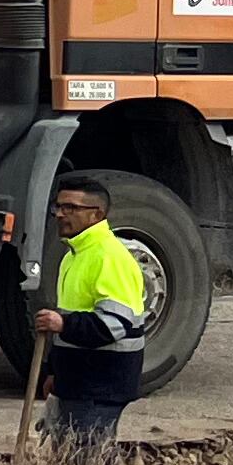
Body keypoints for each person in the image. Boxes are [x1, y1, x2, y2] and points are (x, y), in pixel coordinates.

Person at [29, 174, 147, 447]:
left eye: (70, 208)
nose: (60, 214)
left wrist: (63, 324)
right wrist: (54, 372)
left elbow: (114, 325)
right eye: (58, 207)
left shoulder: (110, 257)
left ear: (96, 214)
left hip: (101, 385)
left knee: (90, 462)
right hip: (77, 382)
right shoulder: (74, 255)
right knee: (73, 461)